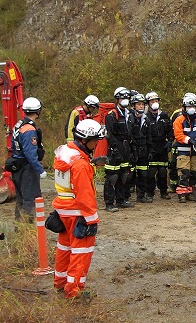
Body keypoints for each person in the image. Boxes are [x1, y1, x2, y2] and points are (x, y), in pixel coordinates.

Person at [53, 118, 103, 300]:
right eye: (95, 140)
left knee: (64, 248)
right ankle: (74, 290)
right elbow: (84, 195)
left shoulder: (64, 154)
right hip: (77, 212)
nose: (97, 144)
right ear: (85, 140)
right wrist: (92, 219)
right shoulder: (80, 164)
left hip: (62, 209)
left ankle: (60, 283)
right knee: (81, 252)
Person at [8, 97, 46, 221]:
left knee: (21, 200)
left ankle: (19, 228)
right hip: (27, 169)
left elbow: (14, 147)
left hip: (17, 167)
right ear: (38, 111)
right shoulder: (29, 130)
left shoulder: (19, 125)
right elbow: (30, 154)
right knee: (30, 200)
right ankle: (27, 230)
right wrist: (40, 170)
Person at [103, 87, 134, 211]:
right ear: (117, 99)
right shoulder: (112, 115)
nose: (125, 100)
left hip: (126, 147)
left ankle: (121, 199)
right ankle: (109, 203)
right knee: (112, 176)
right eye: (122, 98)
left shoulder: (129, 114)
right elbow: (109, 134)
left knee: (123, 175)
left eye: (126, 98)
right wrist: (115, 148)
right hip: (115, 148)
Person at [144, 92, 172, 200]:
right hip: (151, 147)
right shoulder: (146, 117)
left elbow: (170, 131)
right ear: (148, 103)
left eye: (156, 101)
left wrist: (169, 141)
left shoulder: (164, 116)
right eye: (152, 101)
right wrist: (148, 148)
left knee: (163, 171)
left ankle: (163, 192)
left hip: (163, 146)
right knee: (151, 171)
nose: (155, 103)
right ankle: (150, 193)